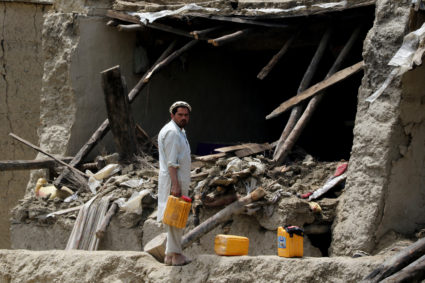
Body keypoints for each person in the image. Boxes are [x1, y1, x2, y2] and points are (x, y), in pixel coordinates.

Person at [157, 101, 192, 266]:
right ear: (172, 115)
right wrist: (175, 185)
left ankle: (169, 255)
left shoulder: (179, 131)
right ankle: (176, 255)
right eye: (180, 115)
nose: (183, 118)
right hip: (174, 180)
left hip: (176, 180)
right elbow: (172, 162)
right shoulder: (172, 133)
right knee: (176, 218)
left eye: (186, 115)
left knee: (174, 217)